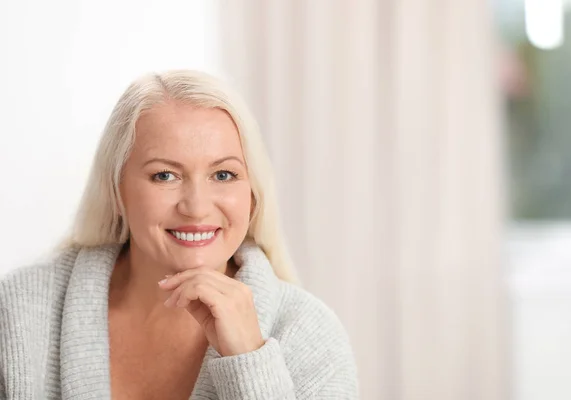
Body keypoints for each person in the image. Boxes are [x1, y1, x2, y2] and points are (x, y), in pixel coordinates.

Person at [0, 70, 358, 399]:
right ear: (116, 191)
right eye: (165, 176)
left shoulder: (311, 335)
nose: (197, 207)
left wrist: (250, 362)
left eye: (223, 175)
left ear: (252, 193)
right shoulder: (18, 311)